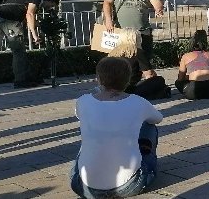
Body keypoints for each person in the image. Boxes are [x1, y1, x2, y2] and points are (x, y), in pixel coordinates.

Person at [70, 57, 163, 197]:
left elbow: (80, 116)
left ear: (99, 79)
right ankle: (143, 154)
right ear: (128, 80)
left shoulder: (83, 101)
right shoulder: (138, 102)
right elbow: (158, 118)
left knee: (88, 132)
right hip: (130, 185)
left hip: (84, 187)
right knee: (149, 126)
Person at [103, 0, 165, 82]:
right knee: (125, 63)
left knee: (145, 64)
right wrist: (108, 20)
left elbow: (155, 1)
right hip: (123, 33)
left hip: (142, 33)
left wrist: (158, 8)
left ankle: (150, 84)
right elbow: (107, 3)